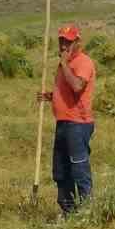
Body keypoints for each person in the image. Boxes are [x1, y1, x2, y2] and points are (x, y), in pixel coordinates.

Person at [37, 24, 97, 216]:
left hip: (78, 125)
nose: (64, 45)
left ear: (77, 42)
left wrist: (64, 64)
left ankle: (87, 212)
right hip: (63, 122)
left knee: (78, 169)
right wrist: (49, 96)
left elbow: (77, 86)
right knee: (61, 171)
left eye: (68, 42)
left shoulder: (83, 62)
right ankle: (68, 212)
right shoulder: (66, 63)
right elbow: (65, 93)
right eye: (61, 40)